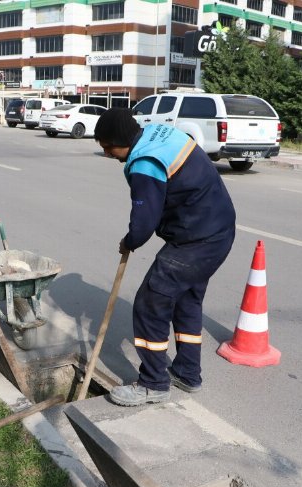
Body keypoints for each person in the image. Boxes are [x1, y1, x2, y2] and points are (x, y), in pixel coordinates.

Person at [93, 108, 236, 407]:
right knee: (186, 300)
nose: (107, 154)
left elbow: (144, 220)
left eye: (108, 147)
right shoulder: (158, 134)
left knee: (150, 302)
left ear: (120, 140)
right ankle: (187, 373)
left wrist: (130, 241)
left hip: (196, 240)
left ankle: (153, 384)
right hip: (217, 230)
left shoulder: (145, 162)